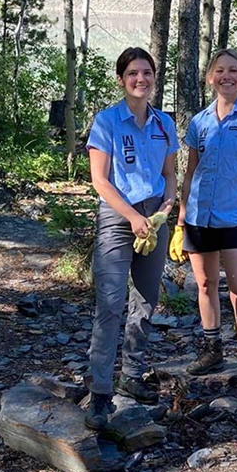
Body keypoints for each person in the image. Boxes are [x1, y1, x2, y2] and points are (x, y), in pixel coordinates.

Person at [170, 48, 237, 405]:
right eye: (219, 71)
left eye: (234, 70)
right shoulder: (199, 122)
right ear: (209, 77)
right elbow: (189, 174)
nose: (226, 76)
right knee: (204, 284)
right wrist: (180, 222)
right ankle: (212, 347)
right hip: (200, 216)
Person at [84, 47, 178, 430]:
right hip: (118, 216)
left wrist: (167, 208)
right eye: (133, 73)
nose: (141, 79)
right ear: (122, 79)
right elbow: (100, 180)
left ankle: (132, 376)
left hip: (154, 217)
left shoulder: (164, 123)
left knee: (146, 301)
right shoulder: (107, 122)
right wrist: (132, 217)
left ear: (155, 78)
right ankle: (100, 392)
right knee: (110, 303)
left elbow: (170, 173)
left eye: (147, 73)